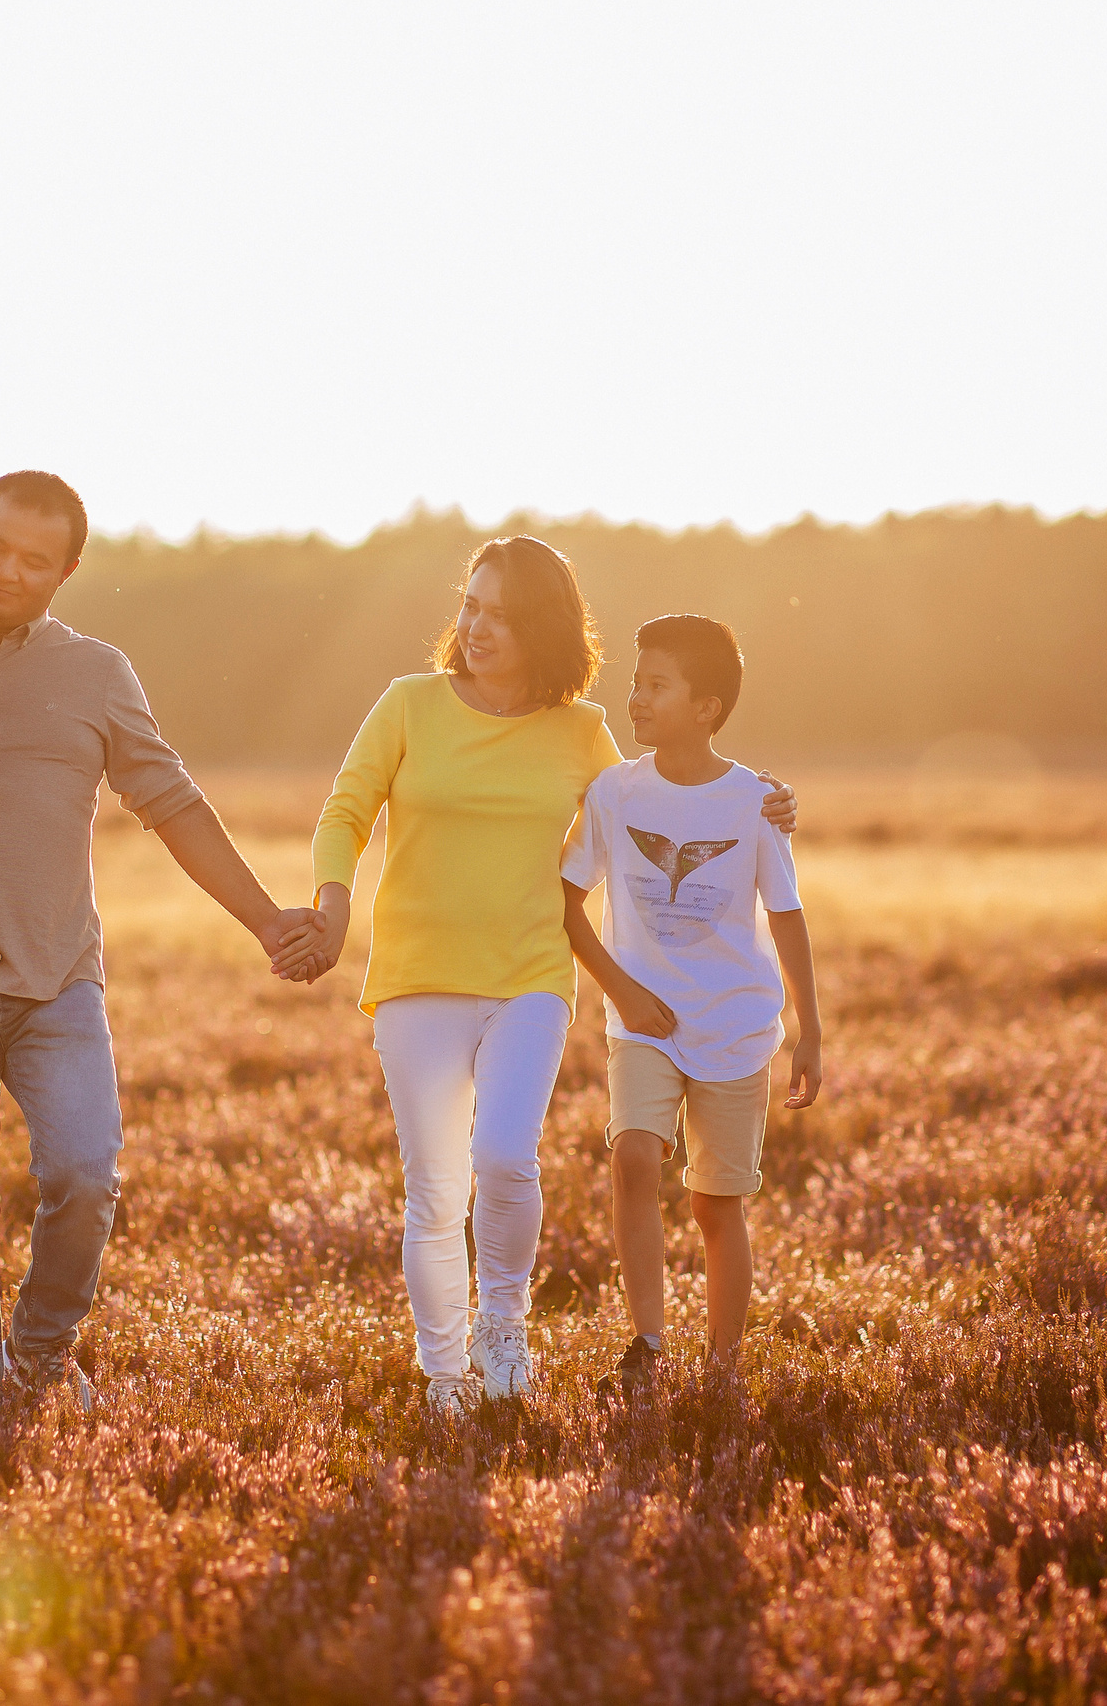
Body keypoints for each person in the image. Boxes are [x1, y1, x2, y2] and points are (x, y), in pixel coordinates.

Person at [0, 469, 320, 1426]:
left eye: (31, 559)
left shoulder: (96, 671)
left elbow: (172, 803)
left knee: (85, 1178)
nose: (3, 568)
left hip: (56, 981)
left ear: (66, 572)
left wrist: (265, 920)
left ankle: (39, 1356)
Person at [290, 538, 796, 1419]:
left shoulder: (581, 730)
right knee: (438, 1184)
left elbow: (659, 802)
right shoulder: (407, 706)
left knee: (504, 1157)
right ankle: (444, 1370)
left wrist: (763, 798)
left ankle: (505, 1326)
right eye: (471, 605)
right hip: (416, 976)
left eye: (501, 615)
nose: (476, 626)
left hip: (531, 975)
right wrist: (333, 905)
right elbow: (346, 810)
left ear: (544, 631)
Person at [559, 615, 822, 1398]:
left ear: (706, 707)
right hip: (642, 1024)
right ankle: (646, 1343)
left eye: (656, 685)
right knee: (633, 1156)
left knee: (716, 1205)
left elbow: (787, 915)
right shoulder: (613, 792)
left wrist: (810, 1029)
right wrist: (622, 991)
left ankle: (721, 1366)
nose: (635, 698)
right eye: (636, 682)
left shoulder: (754, 802)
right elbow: (568, 903)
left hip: (737, 1029)